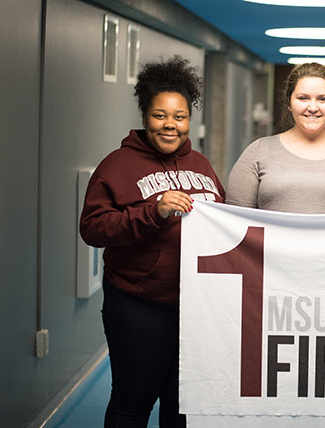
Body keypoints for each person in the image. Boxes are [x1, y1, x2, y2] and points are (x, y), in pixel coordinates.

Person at [79, 56, 224, 428]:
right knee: (133, 399)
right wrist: (152, 212)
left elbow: (226, 222)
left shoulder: (202, 165)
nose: (170, 126)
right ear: (145, 116)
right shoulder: (117, 165)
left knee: (182, 403)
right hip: (138, 302)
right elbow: (93, 228)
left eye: (179, 116)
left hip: (195, 306)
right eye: (161, 115)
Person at [226, 62, 325, 213]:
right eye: (303, 98)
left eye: (323, 99)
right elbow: (234, 223)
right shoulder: (258, 152)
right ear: (289, 103)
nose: (312, 107)